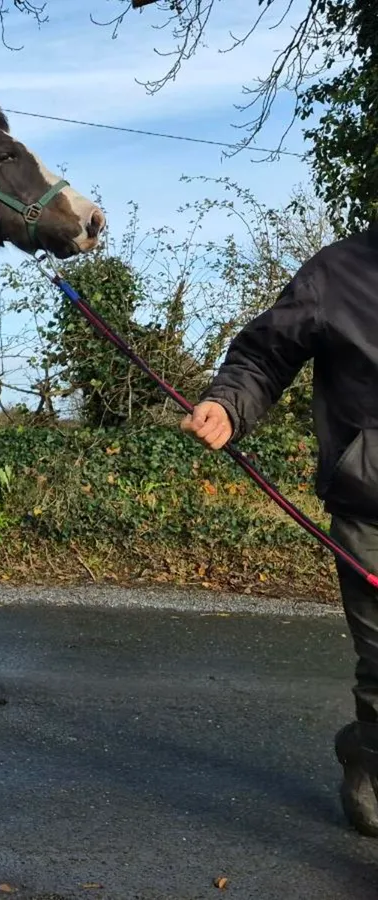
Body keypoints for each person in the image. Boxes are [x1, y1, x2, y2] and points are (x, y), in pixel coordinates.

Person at [180, 221, 378, 837]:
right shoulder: (339, 270)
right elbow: (265, 355)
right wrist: (227, 403)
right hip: (371, 509)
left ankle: (366, 745)